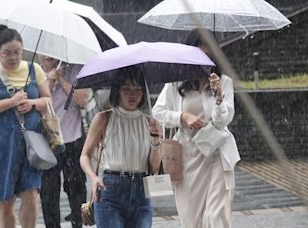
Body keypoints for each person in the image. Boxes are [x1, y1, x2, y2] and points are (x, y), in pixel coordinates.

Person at [152, 29, 241, 228]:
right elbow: (157, 112)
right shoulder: (176, 83)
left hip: (217, 152)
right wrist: (182, 117)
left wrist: (218, 97)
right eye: (198, 54)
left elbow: (223, 121)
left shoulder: (224, 82)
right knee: (191, 221)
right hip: (187, 156)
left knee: (216, 217)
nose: (203, 60)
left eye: (208, 54)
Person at [0, 25, 51, 228]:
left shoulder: (35, 69)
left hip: (31, 143)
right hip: (1, 144)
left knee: (32, 193)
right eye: (7, 53)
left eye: (17, 52)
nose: (13, 57)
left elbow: (48, 101)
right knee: (5, 199)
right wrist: (11, 102)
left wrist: (32, 103)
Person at [79, 67, 162, 228]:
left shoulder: (150, 123)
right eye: (126, 89)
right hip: (110, 189)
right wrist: (93, 177)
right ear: (117, 90)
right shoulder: (104, 118)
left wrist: (156, 139)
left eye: (138, 89)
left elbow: (155, 167)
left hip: (141, 190)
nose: (133, 94)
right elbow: (84, 155)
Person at [38, 55, 89, 228]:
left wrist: (61, 78)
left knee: (77, 189)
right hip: (46, 142)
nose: (47, 57)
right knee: (48, 192)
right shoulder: (34, 72)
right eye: (44, 54)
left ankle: (80, 223)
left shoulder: (75, 69)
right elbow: (35, 105)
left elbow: (83, 99)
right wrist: (49, 83)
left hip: (73, 138)